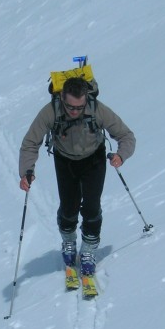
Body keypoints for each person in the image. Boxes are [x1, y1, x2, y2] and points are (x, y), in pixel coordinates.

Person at [18, 77, 136, 275]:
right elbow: (30, 143)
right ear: (62, 98)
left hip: (94, 160)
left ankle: (89, 249)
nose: (74, 112)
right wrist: (27, 172)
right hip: (65, 161)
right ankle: (68, 242)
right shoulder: (50, 111)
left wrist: (121, 155)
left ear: (86, 100)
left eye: (79, 107)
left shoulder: (97, 109)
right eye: (70, 107)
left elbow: (126, 136)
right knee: (68, 207)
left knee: (91, 207)